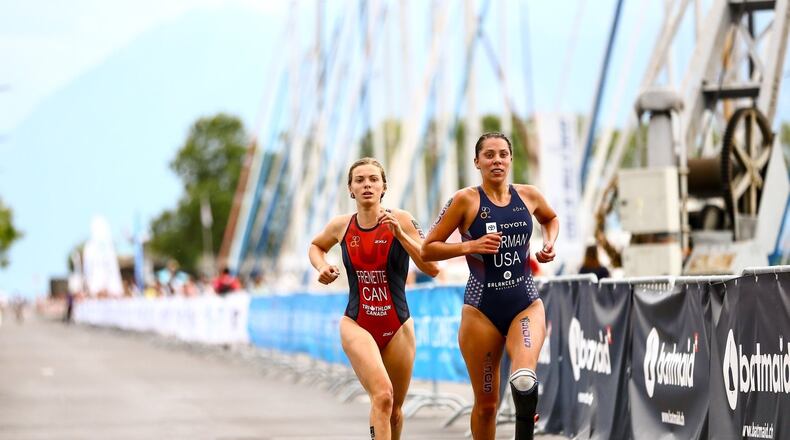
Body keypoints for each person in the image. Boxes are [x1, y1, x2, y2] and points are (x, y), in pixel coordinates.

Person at [421, 132, 559, 440]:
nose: (496, 160)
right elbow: (427, 249)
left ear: (510, 160)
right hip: (481, 311)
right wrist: (470, 247)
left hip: (524, 303)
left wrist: (549, 243)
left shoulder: (529, 195)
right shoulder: (465, 200)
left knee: (524, 381)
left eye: (502, 154)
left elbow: (550, 218)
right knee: (486, 406)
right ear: (477, 162)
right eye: (489, 155)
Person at [309, 157, 439, 440]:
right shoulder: (341, 226)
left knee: (394, 410)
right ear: (350, 190)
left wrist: (402, 236)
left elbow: (432, 267)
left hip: (398, 326)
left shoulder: (402, 219)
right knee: (382, 395)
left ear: (383, 187)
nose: (367, 184)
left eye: (373, 179)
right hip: (357, 322)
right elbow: (316, 246)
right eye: (360, 180)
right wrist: (322, 267)